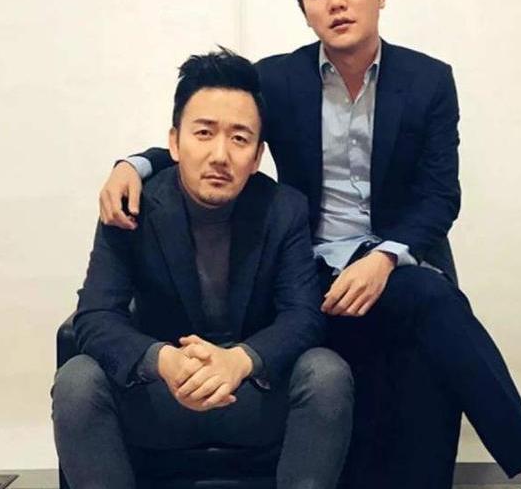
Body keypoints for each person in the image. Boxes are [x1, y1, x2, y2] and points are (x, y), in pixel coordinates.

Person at [98, 0, 521, 489]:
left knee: (432, 302)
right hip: (311, 272)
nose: (336, 0)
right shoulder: (277, 81)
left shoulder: (429, 81)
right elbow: (215, 136)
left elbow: (440, 195)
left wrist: (383, 259)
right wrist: (134, 164)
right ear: (305, 9)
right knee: (419, 320)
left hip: (394, 267)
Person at [52, 49, 354, 489]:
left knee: (326, 373)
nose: (220, 155)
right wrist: (163, 361)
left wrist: (239, 360)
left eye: (239, 139)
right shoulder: (131, 205)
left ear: (257, 155)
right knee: (77, 381)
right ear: (175, 143)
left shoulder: (284, 209)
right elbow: (96, 316)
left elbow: (303, 316)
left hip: (249, 395)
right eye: (204, 133)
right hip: (160, 397)